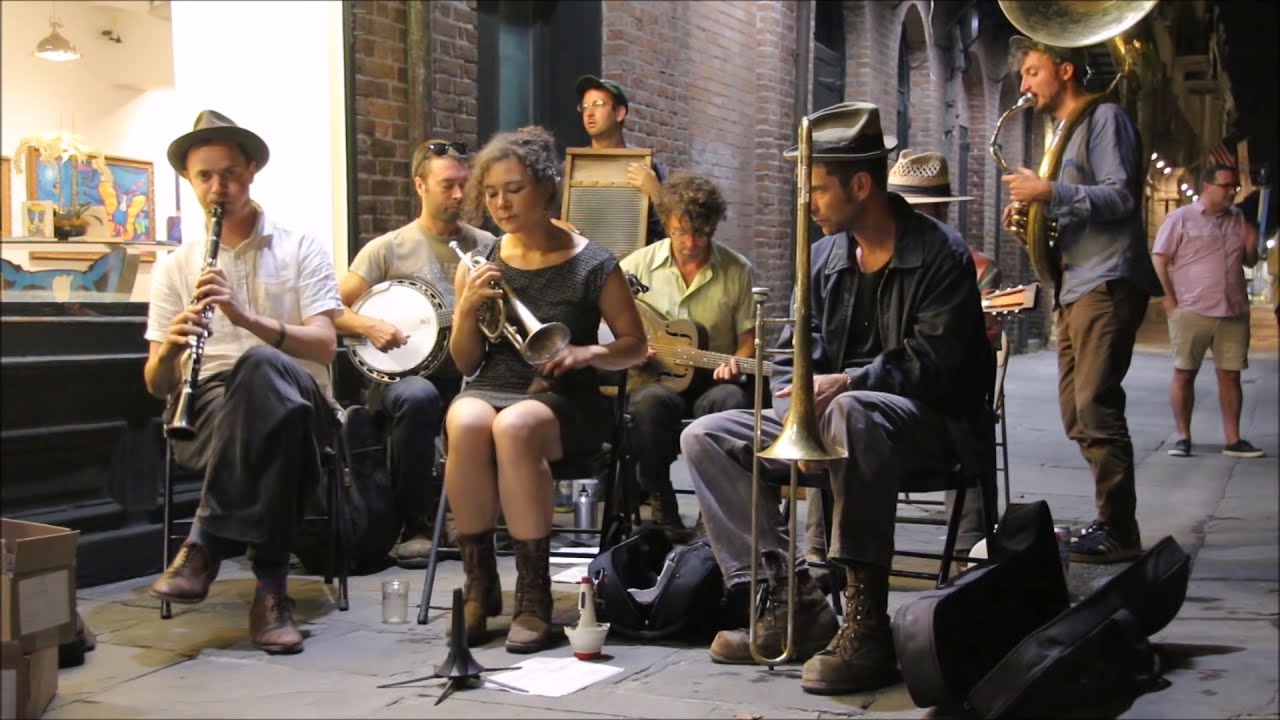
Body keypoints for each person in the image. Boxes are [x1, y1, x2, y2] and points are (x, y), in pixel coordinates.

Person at [681, 102, 994, 694]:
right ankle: (793, 598)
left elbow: (935, 368)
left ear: (860, 184)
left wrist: (846, 384)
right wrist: (788, 389)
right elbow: (796, 349)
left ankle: (866, 622)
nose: (810, 203)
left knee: (852, 411)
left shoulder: (940, 254)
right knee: (706, 436)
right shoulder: (824, 255)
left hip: (930, 423)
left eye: (819, 189)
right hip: (837, 416)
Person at [144, 110, 344, 655]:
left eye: (229, 173)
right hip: (209, 412)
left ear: (252, 171)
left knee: (261, 372)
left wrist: (247, 320)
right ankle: (271, 592)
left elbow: (325, 346)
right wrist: (171, 346)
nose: (218, 188)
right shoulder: (174, 268)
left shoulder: (301, 246)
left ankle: (204, 541)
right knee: (270, 423)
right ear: (189, 180)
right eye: (204, 177)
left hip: (305, 400)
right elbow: (156, 384)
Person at [445, 125, 647, 653]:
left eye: (513, 188)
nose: (500, 203)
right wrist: (465, 308)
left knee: (515, 426)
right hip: (493, 384)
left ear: (544, 186)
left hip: (565, 399)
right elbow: (466, 361)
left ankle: (532, 597)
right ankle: (479, 584)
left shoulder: (593, 262)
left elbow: (634, 345)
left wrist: (587, 353)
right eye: (490, 192)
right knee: (464, 419)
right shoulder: (480, 259)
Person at [1001, 36, 1162, 565]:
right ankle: (1109, 519)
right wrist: (1032, 216)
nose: (1024, 85)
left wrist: (1048, 193)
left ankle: (1120, 528)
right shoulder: (1061, 134)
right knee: (1076, 412)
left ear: (1065, 70)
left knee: (1095, 404)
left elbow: (1120, 197)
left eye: (1031, 72)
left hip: (1106, 280)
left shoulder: (1104, 119)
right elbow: (1077, 207)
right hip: (1075, 285)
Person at [334, 139, 497, 567]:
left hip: (470, 373)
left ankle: (477, 517)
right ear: (419, 185)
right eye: (448, 186)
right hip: (399, 380)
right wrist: (368, 324)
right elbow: (329, 309)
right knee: (417, 396)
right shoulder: (388, 248)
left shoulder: (486, 245)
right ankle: (418, 525)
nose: (459, 196)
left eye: (464, 185)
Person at [619, 172, 756, 533]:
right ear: (666, 223)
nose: (691, 243)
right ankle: (659, 497)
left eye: (701, 234)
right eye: (680, 232)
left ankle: (712, 513)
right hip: (657, 379)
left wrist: (737, 363)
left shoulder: (737, 270)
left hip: (713, 381)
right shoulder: (636, 266)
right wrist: (632, 348)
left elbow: (749, 339)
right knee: (646, 408)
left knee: (731, 403)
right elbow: (612, 325)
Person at [1151, 163, 1264, 458]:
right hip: (1192, 309)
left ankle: (1233, 438)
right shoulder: (1181, 218)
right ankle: (1183, 436)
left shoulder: (1238, 220)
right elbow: (1160, 259)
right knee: (1184, 373)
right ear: (1206, 187)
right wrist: (1169, 302)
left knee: (1230, 376)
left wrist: (1252, 245)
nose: (1231, 192)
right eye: (1226, 186)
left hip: (1233, 310)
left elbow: (1249, 262)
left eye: (1234, 187)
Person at [575, 75, 669, 244]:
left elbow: (674, 231)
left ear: (619, 113)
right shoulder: (571, 167)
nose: (589, 112)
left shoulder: (650, 167)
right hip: (583, 268)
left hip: (633, 266)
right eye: (584, 106)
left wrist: (656, 192)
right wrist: (554, 225)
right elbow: (547, 220)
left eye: (598, 105)